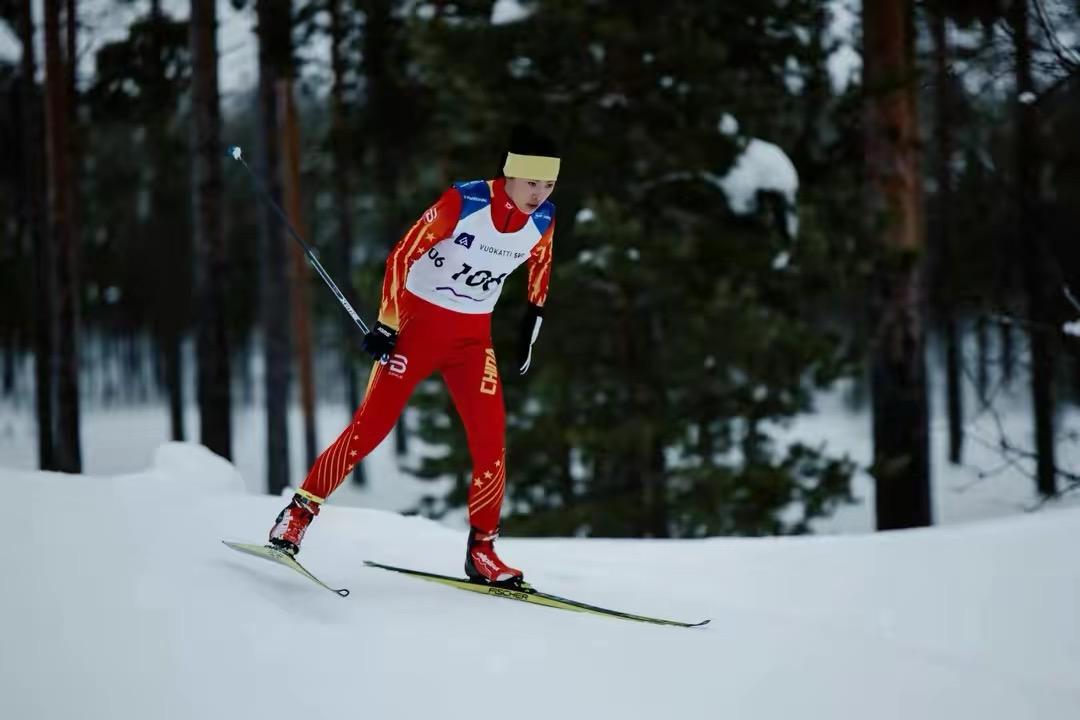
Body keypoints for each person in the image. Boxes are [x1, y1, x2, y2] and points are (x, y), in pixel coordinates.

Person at [267, 126, 559, 587]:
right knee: (371, 429)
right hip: (418, 328)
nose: (539, 195)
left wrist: (531, 323)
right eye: (532, 184)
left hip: (472, 340)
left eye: (549, 186)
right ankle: (297, 515)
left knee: (491, 443)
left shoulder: (543, 219)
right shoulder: (464, 203)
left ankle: (482, 550)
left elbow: (540, 269)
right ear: (510, 175)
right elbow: (402, 255)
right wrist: (388, 322)